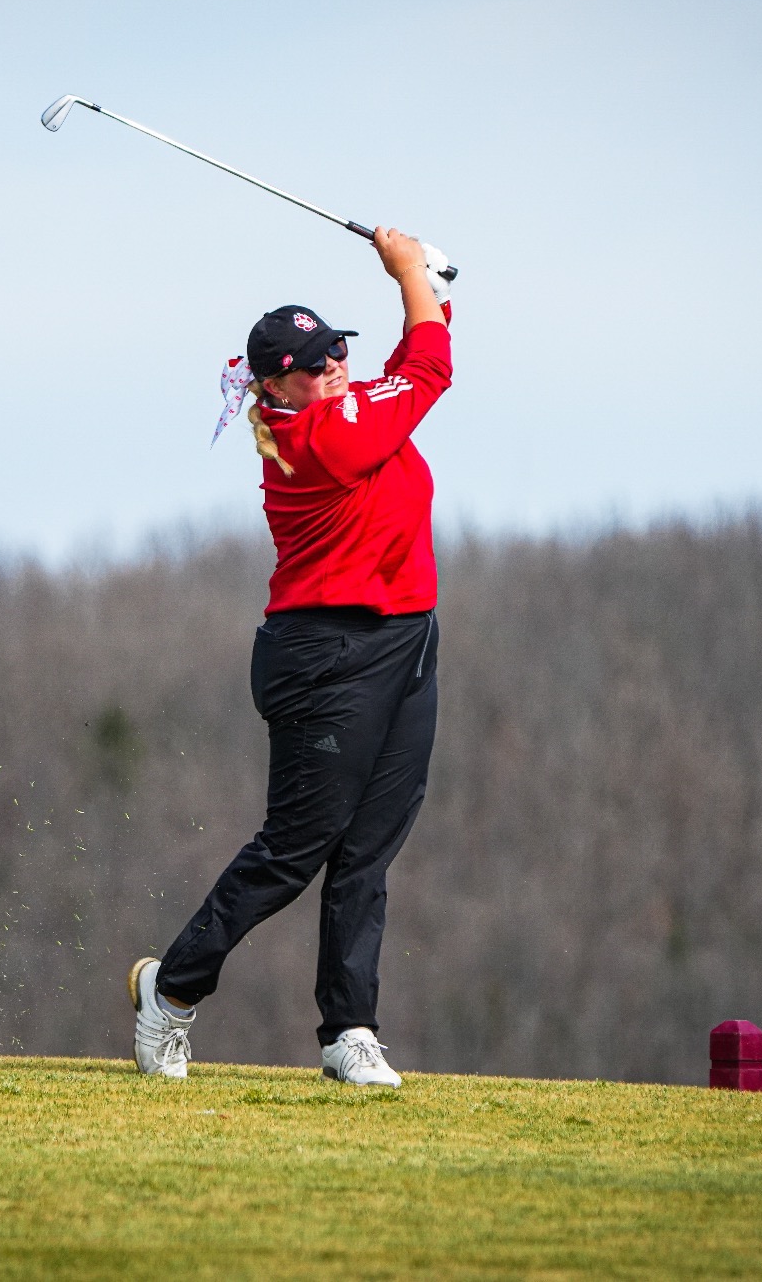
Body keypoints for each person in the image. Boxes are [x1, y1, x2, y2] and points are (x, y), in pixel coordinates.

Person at [130, 227, 454, 1087]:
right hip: (327, 654)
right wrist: (409, 274)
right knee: (295, 847)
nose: (335, 367)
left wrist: (425, 281)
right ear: (275, 384)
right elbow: (429, 368)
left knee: (368, 849)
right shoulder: (321, 438)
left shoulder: (342, 403)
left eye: (337, 350)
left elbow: (413, 352)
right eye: (314, 364)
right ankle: (170, 991)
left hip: (406, 638)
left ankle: (350, 1029)